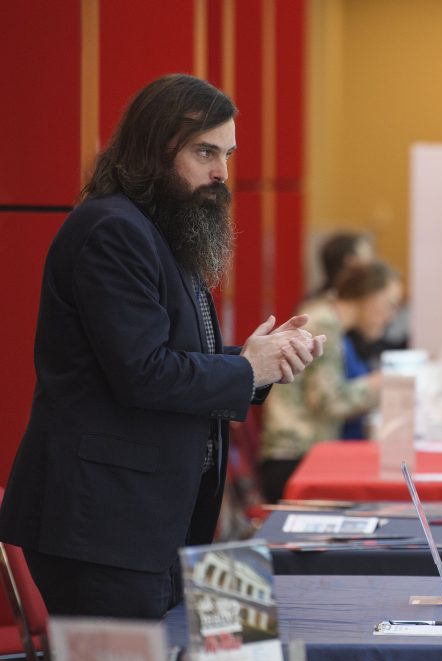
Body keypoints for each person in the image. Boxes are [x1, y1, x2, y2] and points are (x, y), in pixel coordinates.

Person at [0, 74, 325, 618]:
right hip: (101, 524)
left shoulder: (160, 229)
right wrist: (247, 369)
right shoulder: (112, 230)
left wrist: (256, 362)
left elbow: (167, 361)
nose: (222, 171)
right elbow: (143, 373)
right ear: (154, 149)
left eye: (227, 154)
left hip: (146, 522)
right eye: (205, 152)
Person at [260, 259, 402, 502]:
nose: (391, 317)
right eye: (389, 305)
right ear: (369, 296)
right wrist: (377, 385)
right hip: (293, 460)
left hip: (302, 454)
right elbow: (328, 402)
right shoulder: (324, 323)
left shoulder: (328, 319)